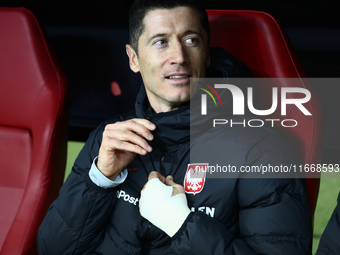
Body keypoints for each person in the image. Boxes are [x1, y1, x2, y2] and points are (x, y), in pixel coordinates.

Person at [37, 0, 312, 254]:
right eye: (161, 42)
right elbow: (53, 249)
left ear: (206, 53)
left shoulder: (263, 151)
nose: (179, 56)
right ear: (133, 59)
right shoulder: (109, 138)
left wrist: (182, 224)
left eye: (191, 40)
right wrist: (99, 179)